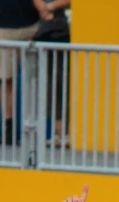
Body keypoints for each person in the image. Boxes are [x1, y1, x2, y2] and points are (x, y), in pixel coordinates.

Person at [0, 0, 52, 145]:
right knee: (5, 77)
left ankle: (36, 126)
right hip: (2, 26)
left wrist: (44, 9)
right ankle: (8, 127)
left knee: (36, 78)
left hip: (33, 25)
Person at [33, 0, 71, 149]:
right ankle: (59, 133)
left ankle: (69, 133)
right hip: (45, 34)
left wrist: (51, 7)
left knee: (67, 85)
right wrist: (42, 8)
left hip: (68, 36)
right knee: (51, 87)